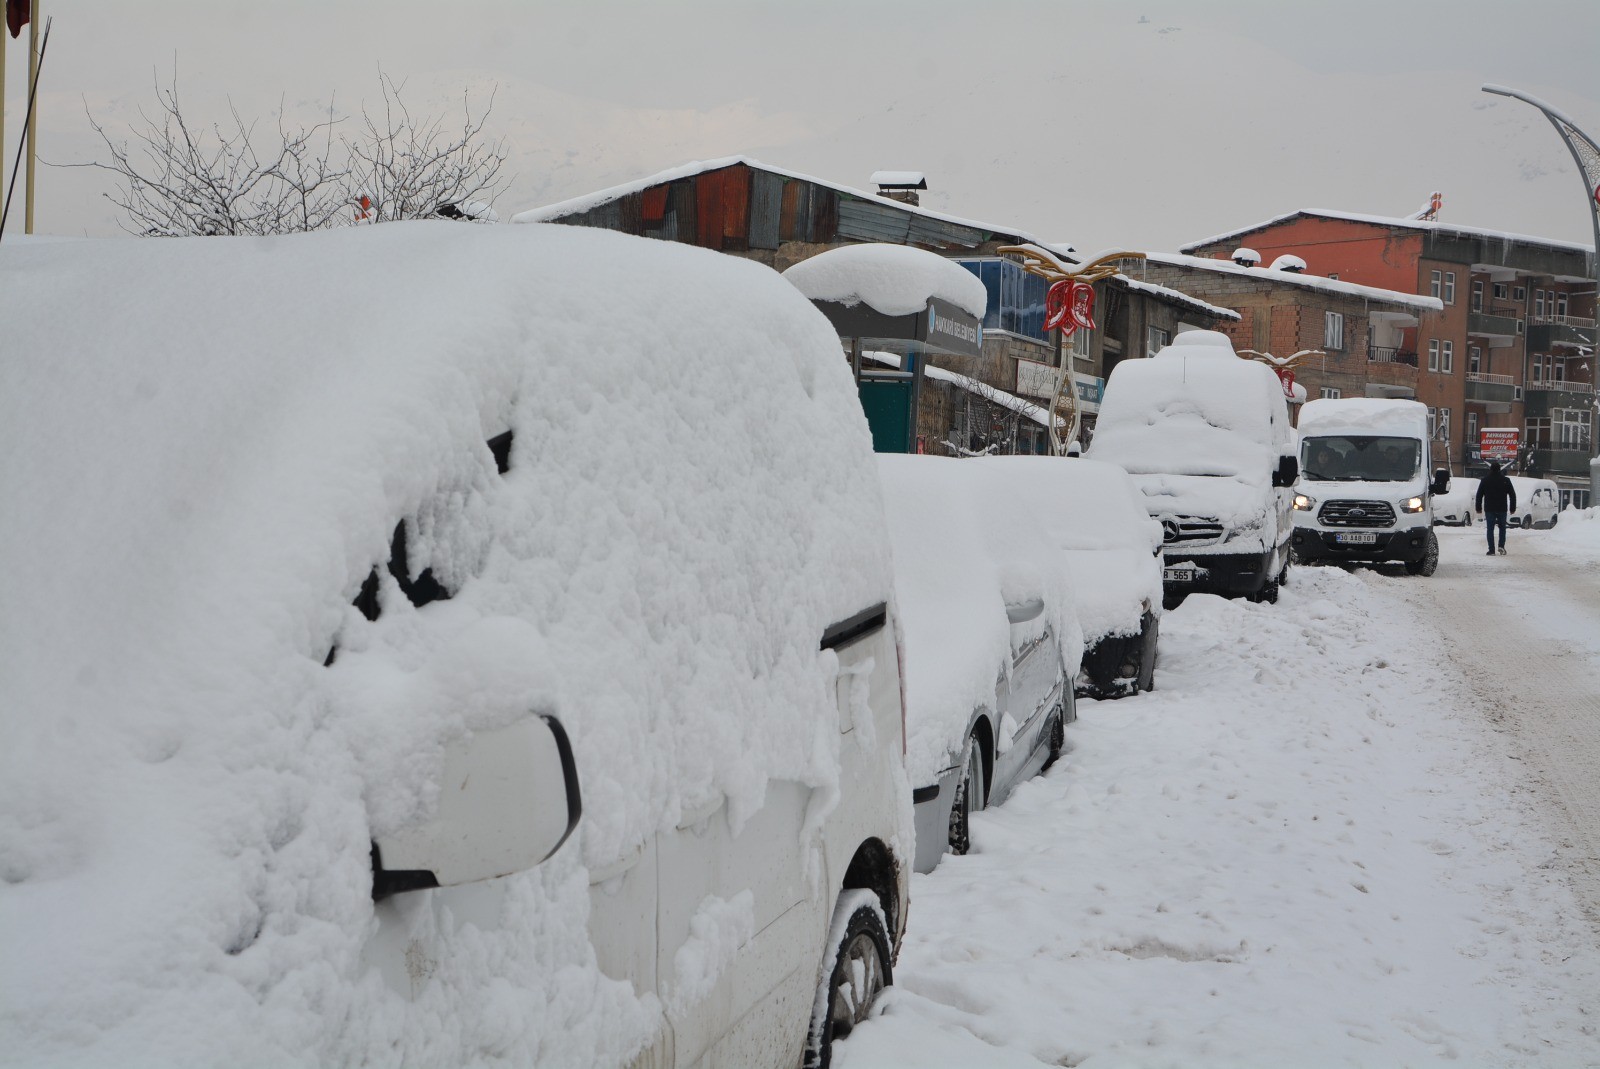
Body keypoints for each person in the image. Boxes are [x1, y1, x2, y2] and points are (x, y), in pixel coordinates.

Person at [1475, 461, 1517, 556]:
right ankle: (1501, 546)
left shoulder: (1485, 480)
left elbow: (1479, 495)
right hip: (1502, 508)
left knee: (1490, 529)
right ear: (1499, 469)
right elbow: (1512, 495)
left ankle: (1491, 550)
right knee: (1502, 528)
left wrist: (1478, 508)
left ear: (1490, 469)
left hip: (1489, 508)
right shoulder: (1505, 480)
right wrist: (1512, 507)